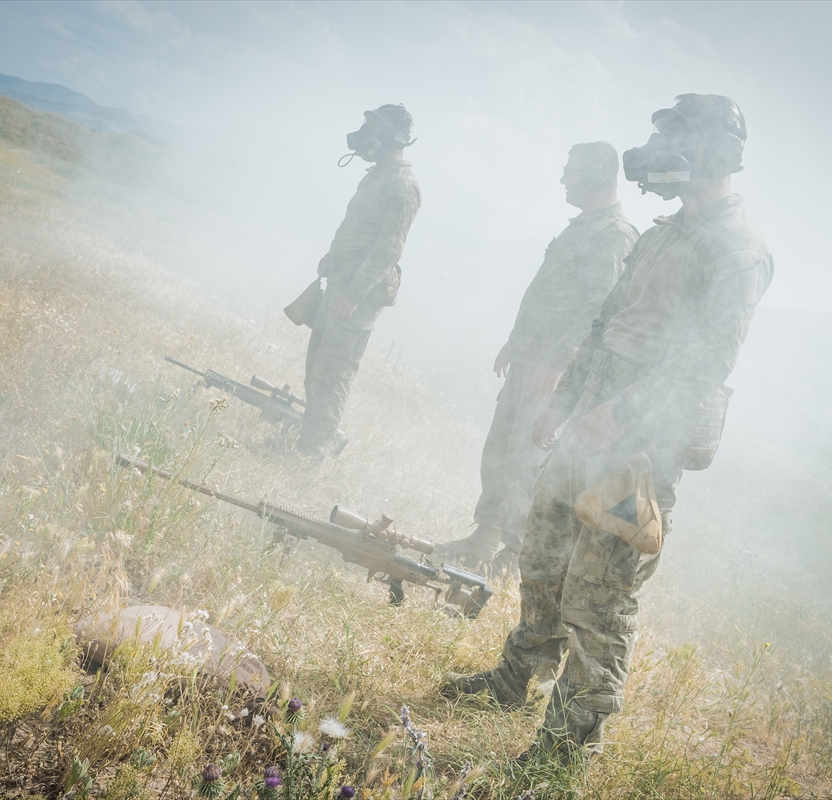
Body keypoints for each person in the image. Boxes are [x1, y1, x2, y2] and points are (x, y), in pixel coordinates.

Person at [441, 94, 774, 766]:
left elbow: (706, 364)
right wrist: (566, 401)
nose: (659, 153)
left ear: (713, 150)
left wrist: (620, 412)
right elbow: (605, 326)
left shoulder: (737, 249)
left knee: (600, 599)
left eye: (677, 138)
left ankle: (563, 755)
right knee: (543, 557)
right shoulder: (662, 233)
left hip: (641, 452)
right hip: (587, 429)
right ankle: (516, 678)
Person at [439, 143, 638, 573]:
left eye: (572, 171)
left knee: (525, 462)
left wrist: (557, 360)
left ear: (599, 175)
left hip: (551, 372)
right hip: (531, 360)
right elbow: (551, 294)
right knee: (500, 450)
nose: (563, 179)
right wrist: (517, 341)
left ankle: (513, 557)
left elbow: (598, 308)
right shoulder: (584, 227)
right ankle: (483, 538)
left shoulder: (613, 235)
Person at [292, 104, 422, 458]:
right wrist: (332, 258)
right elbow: (359, 229)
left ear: (395, 137)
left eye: (375, 127)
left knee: (332, 374)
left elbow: (389, 247)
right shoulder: (376, 176)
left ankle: (311, 456)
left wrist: (353, 294)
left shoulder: (401, 185)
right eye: (367, 125)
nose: (366, 134)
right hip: (341, 282)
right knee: (317, 368)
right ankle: (310, 442)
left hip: (355, 294)